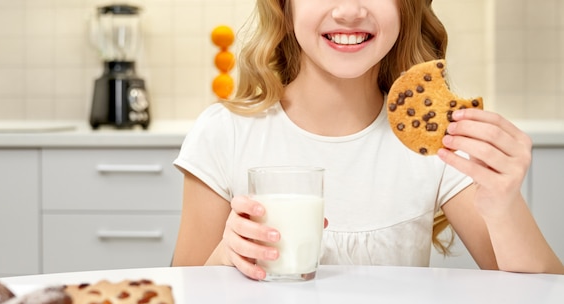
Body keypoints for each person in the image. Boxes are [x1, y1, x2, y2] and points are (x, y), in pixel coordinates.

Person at [172, 0, 563, 279]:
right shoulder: (225, 134)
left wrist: (503, 205)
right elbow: (183, 301)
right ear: (283, 7)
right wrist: (224, 257)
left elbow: (543, 295)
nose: (349, 10)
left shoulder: (441, 141)